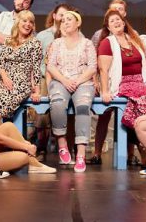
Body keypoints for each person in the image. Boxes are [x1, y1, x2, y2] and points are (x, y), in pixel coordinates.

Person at [97, 9, 146, 166]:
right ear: (108, 27)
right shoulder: (107, 43)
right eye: (112, 21)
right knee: (137, 107)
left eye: (118, 19)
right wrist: (105, 91)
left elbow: (144, 65)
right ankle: (144, 150)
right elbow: (103, 69)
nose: (116, 22)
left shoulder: (133, 40)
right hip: (121, 83)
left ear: (123, 22)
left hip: (140, 83)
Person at [46, 10, 97, 172]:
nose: (65, 22)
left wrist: (78, 81)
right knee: (58, 103)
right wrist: (65, 80)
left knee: (82, 108)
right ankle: (62, 145)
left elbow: (92, 67)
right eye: (63, 20)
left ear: (78, 23)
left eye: (69, 19)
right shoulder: (57, 43)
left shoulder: (87, 43)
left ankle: (81, 155)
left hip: (82, 81)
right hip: (61, 80)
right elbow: (51, 66)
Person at [88, 0, 128, 165]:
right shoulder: (100, 35)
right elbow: (91, 59)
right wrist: (95, 79)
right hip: (105, 80)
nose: (117, 13)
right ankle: (97, 153)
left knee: (128, 118)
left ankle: (128, 154)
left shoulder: (130, 35)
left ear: (124, 14)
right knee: (103, 117)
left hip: (125, 80)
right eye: (113, 10)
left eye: (120, 10)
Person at [34, 3, 75, 159]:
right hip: (45, 78)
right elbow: (36, 61)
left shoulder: (74, 35)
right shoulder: (43, 36)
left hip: (66, 80)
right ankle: (41, 148)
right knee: (42, 116)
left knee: (66, 114)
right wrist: (37, 84)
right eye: (61, 15)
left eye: (67, 16)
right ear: (54, 16)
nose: (63, 18)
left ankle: (66, 150)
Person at [0, 10, 42, 122]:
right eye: (25, 20)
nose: (28, 24)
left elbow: (36, 69)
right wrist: (5, 78)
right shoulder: (8, 40)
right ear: (18, 22)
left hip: (22, 84)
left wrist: (37, 90)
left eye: (31, 22)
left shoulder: (35, 43)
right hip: (5, 82)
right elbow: (1, 64)